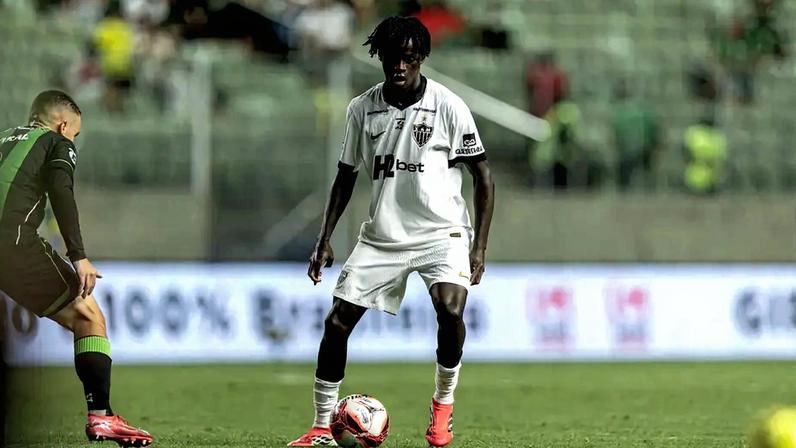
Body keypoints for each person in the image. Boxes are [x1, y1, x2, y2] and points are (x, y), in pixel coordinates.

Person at [288, 16, 495, 448]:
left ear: (422, 58)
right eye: (392, 57)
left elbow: (483, 176)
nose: (400, 65)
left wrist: (479, 247)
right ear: (380, 57)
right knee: (337, 322)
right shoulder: (362, 108)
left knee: (450, 310)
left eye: (409, 57)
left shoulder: (448, 106)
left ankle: (442, 407)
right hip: (383, 237)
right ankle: (322, 426)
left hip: (442, 233)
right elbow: (345, 176)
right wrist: (324, 238)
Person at [0, 91, 153, 447]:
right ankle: (102, 417)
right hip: (11, 243)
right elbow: (61, 190)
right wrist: (78, 256)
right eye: (75, 134)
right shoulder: (56, 142)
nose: (74, 140)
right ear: (63, 125)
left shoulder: (4, 137)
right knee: (88, 316)